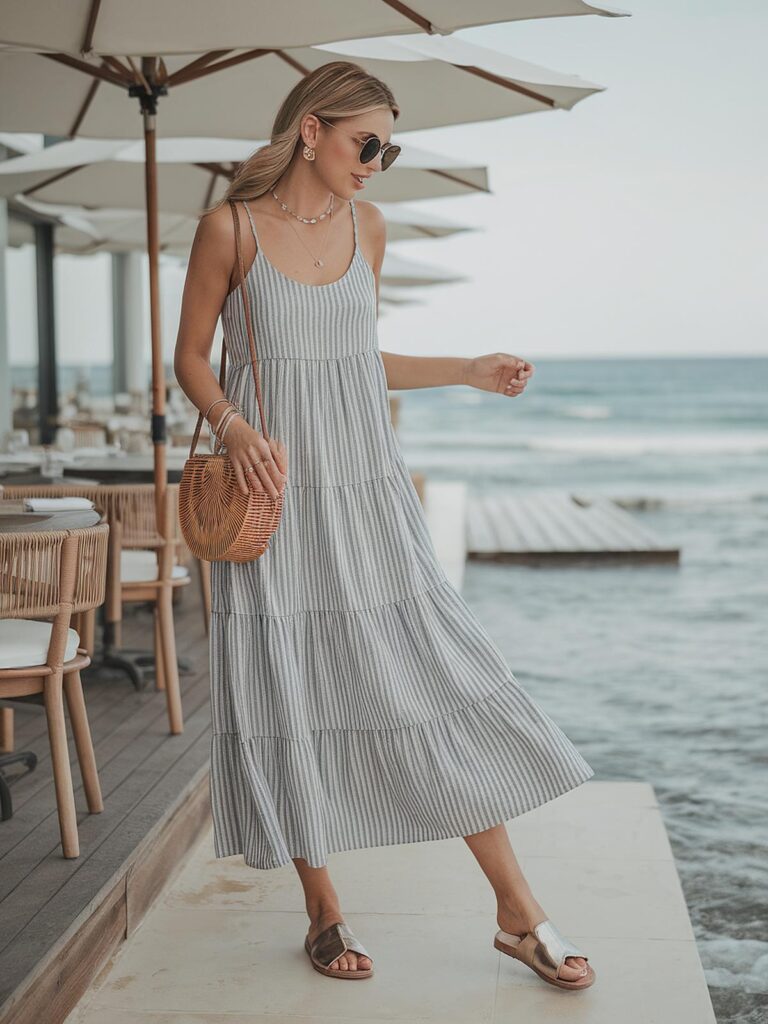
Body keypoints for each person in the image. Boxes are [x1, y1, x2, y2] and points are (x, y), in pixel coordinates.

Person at [174, 60, 596, 991]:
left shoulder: (371, 227)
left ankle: (516, 912)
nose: (381, 161)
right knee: (289, 693)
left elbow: (353, 359)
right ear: (312, 129)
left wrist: (466, 370)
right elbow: (191, 358)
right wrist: (235, 423)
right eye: (371, 143)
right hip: (275, 494)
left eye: (390, 147)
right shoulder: (229, 228)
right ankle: (324, 911)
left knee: (423, 679)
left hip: (365, 493)